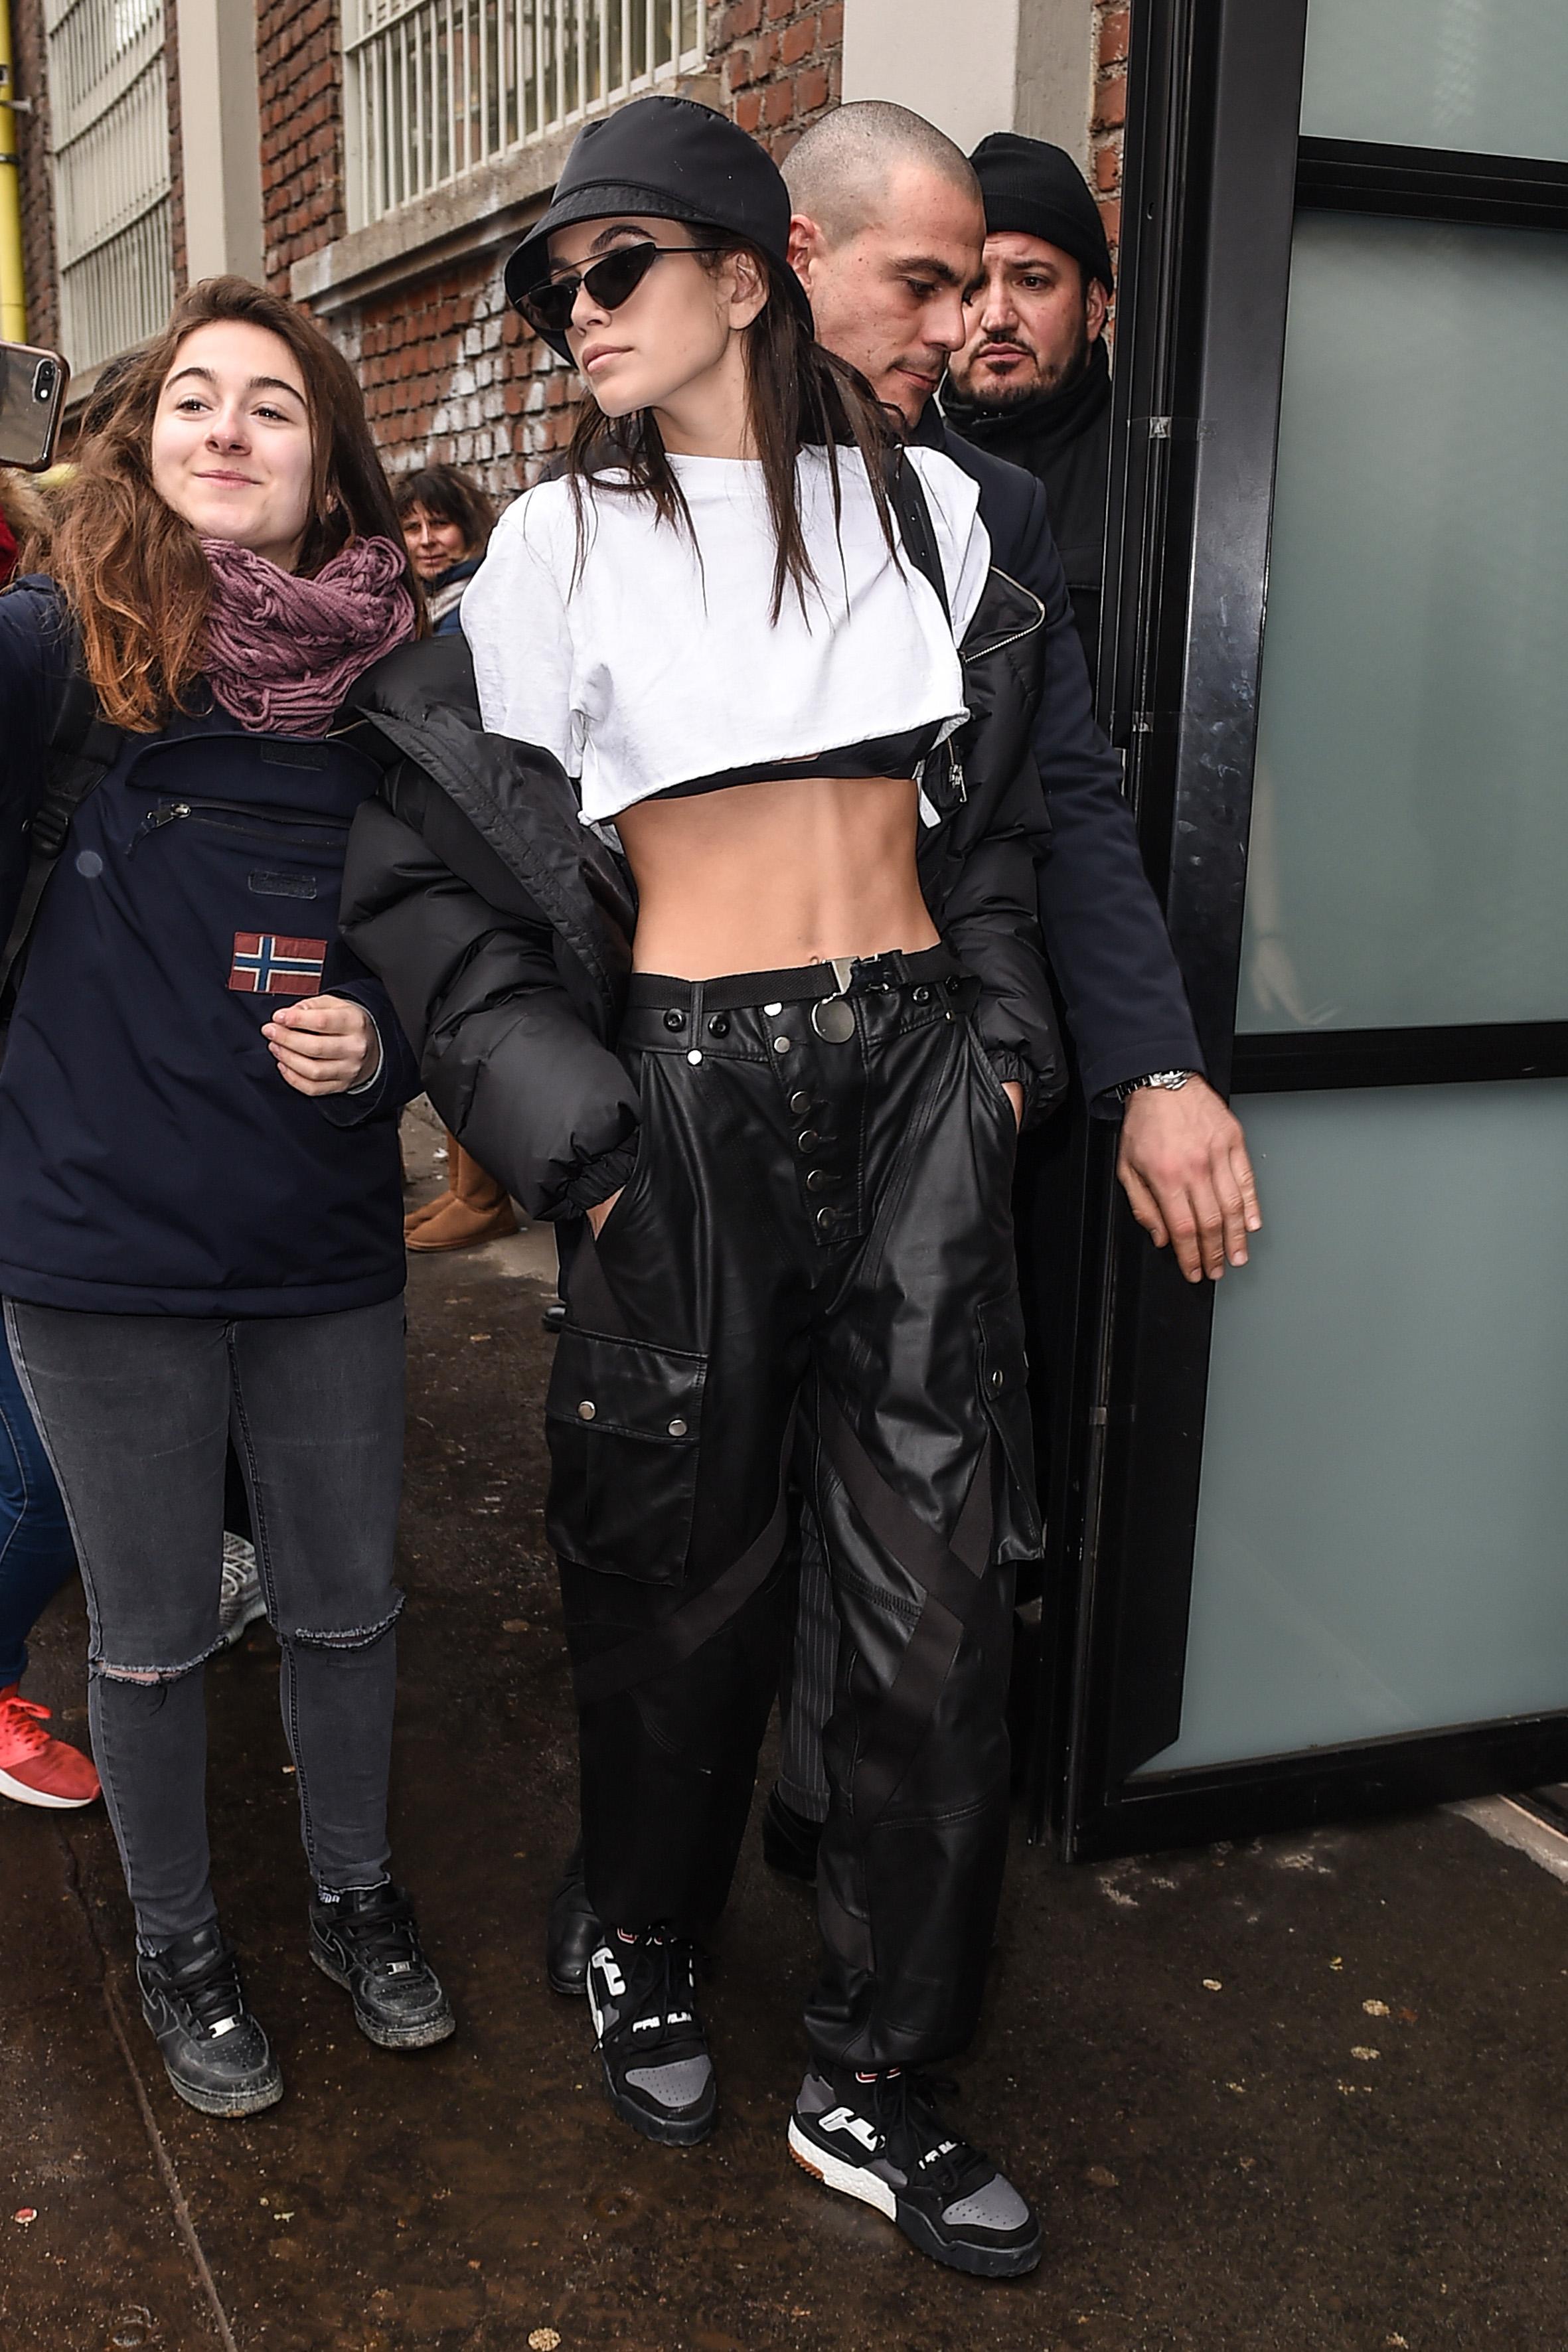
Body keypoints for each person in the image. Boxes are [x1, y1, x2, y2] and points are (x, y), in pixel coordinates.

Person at [343, 92, 1061, 2280]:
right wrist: (566, 1120)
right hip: (687, 1100)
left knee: (940, 1600)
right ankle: (644, 1935)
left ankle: (878, 2068)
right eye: (554, 285)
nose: (579, 313)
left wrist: (1011, 1059)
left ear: (748, 274)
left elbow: (999, 840)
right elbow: (415, 860)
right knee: (676, 1563)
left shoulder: (941, 518)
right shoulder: (555, 550)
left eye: (619, 268)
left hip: (921, 1077)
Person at [0, 274, 453, 2116]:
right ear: (143, 434)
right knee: (152, 1626)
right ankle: (181, 1936)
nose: (226, 426)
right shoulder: (49, 650)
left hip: (322, 1234)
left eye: (272, 402)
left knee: (347, 1602)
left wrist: (390, 1045)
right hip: (95, 1242)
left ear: (327, 461)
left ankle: (356, 1893)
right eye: (194, 396)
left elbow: (464, 945)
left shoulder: (406, 688)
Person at [394, 463, 518, 1252]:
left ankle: (484, 1193)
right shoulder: (421, 603)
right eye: (411, 527)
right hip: (441, 820)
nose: (427, 540)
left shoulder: (479, 600)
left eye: (440, 524)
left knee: (476, 1009)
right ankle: (466, 1183)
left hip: (481, 819)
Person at [944, 131, 1115, 674]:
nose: (997, 316)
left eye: (1032, 281)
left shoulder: (1152, 475)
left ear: (1092, 308)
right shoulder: (888, 470)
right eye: (972, 287)